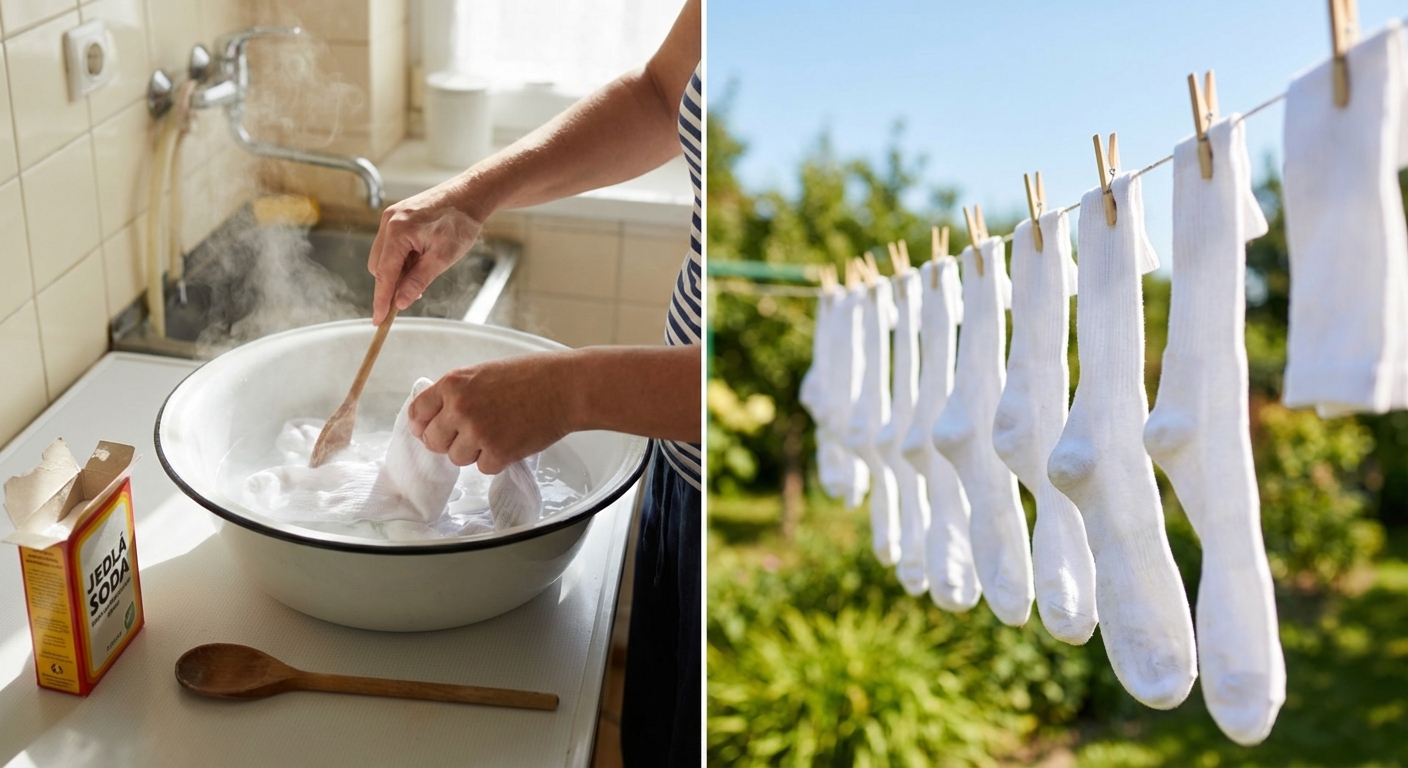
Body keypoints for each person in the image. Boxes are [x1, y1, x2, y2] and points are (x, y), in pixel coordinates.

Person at [364, 1, 702, 764]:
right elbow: (660, 95)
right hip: (683, 473)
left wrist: (569, 392)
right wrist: (473, 194)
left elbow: (809, 362)